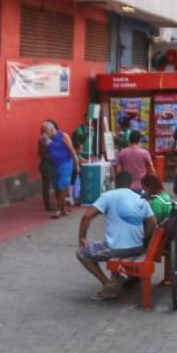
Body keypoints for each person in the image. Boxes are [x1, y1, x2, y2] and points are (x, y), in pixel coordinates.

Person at [76, 170, 156, 300]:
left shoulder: (108, 196)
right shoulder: (140, 198)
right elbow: (152, 222)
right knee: (108, 245)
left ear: (115, 183)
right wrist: (143, 238)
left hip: (116, 248)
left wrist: (82, 238)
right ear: (131, 184)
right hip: (137, 247)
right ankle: (122, 277)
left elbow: (87, 216)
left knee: (81, 253)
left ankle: (108, 284)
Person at [41, 120, 80, 219]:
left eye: (46, 130)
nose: (44, 133)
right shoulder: (47, 139)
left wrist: (77, 164)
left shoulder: (63, 136)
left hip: (66, 164)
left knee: (62, 186)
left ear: (52, 129)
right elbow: (43, 153)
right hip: (54, 165)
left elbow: (71, 150)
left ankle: (58, 209)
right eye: (43, 131)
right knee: (57, 188)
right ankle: (64, 208)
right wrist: (44, 144)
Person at [36, 123, 55, 213]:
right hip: (46, 163)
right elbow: (52, 147)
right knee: (46, 185)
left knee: (46, 184)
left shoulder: (42, 138)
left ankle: (48, 203)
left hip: (45, 163)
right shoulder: (45, 138)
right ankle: (47, 204)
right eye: (50, 129)